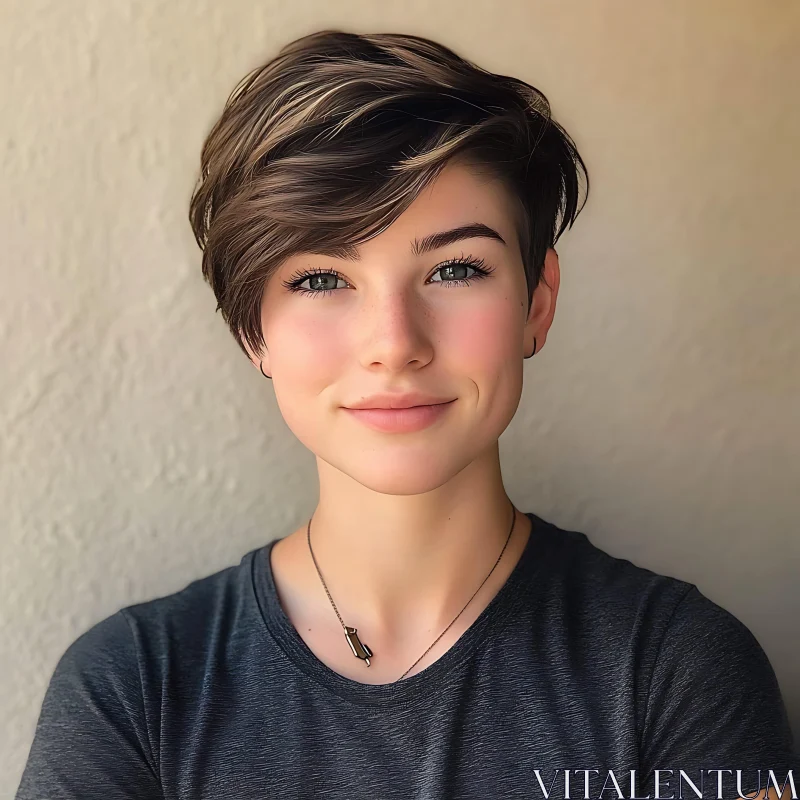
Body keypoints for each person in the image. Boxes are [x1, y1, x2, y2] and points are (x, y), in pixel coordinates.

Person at [15, 29, 799, 800]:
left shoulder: (678, 670)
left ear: (537, 301)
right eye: (322, 279)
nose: (394, 344)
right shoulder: (132, 689)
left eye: (456, 269)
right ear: (251, 330)